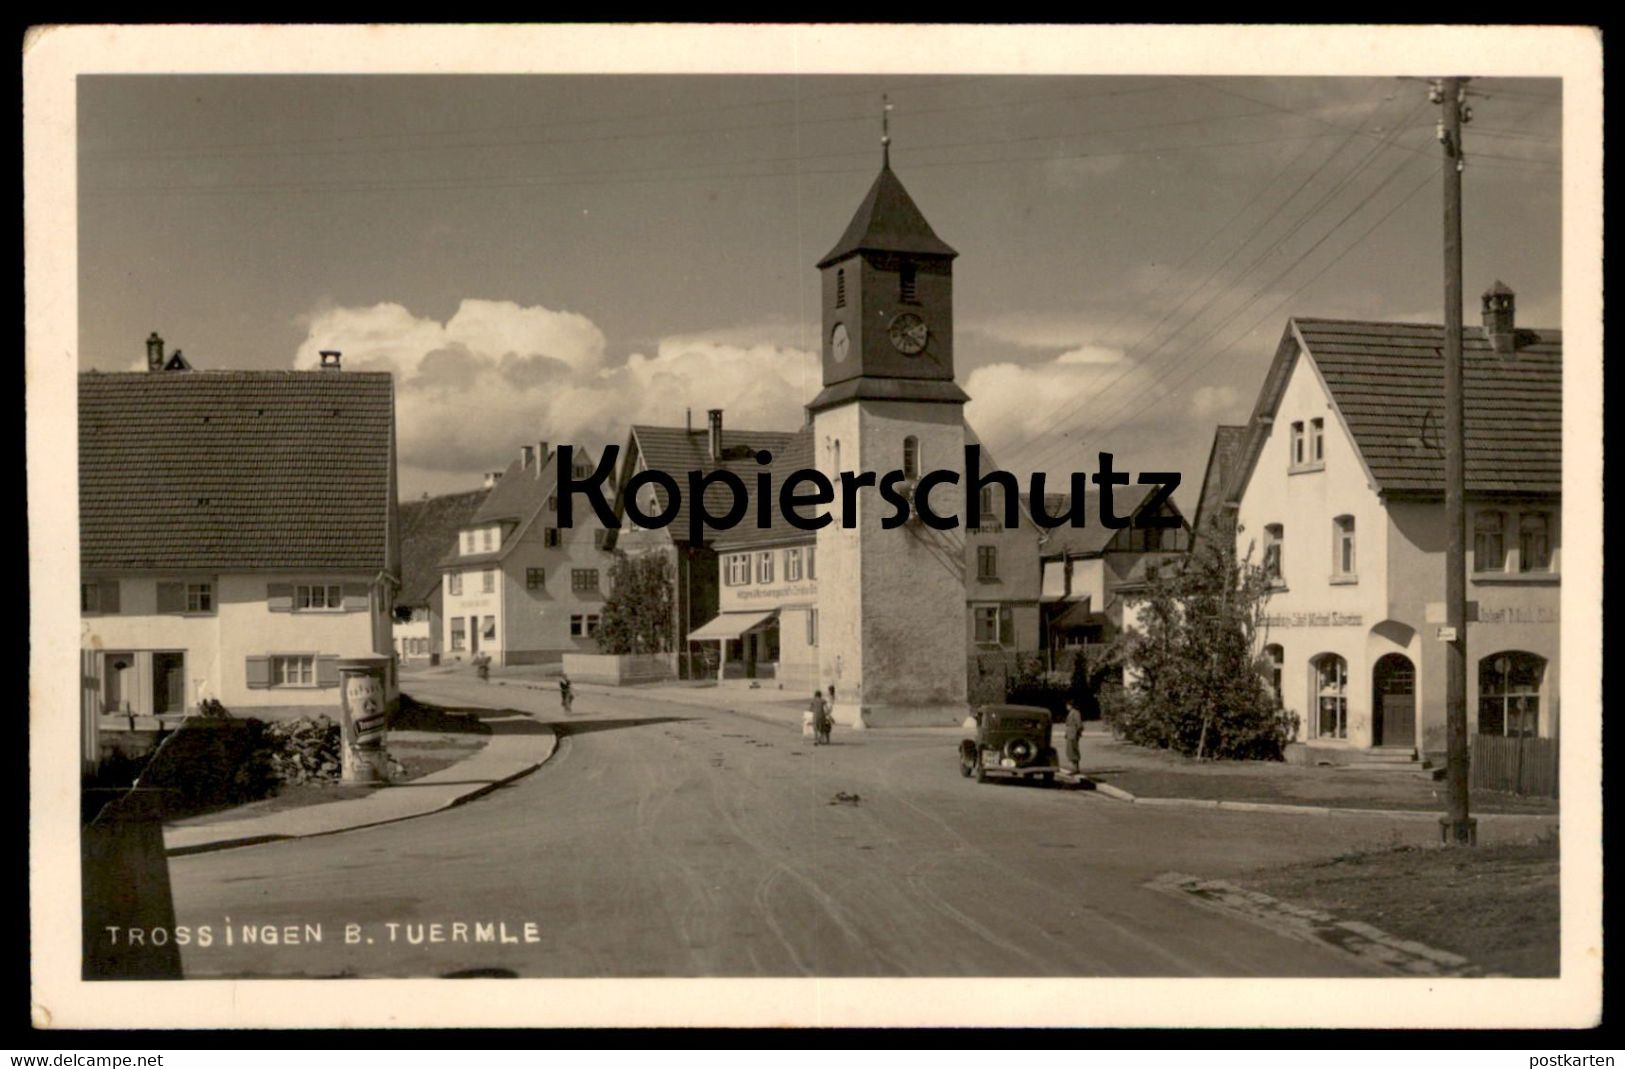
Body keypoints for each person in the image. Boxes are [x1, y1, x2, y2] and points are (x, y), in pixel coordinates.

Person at [1064, 698, 1084, 773]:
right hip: (1070, 734)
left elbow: (1079, 724)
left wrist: (1077, 733)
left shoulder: (1075, 713)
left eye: (1068, 705)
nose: (1067, 707)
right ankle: (1074, 767)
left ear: (1071, 705)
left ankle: (1076, 768)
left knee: (1073, 750)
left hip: (1073, 734)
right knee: (1070, 751)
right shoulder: (1071, 713)